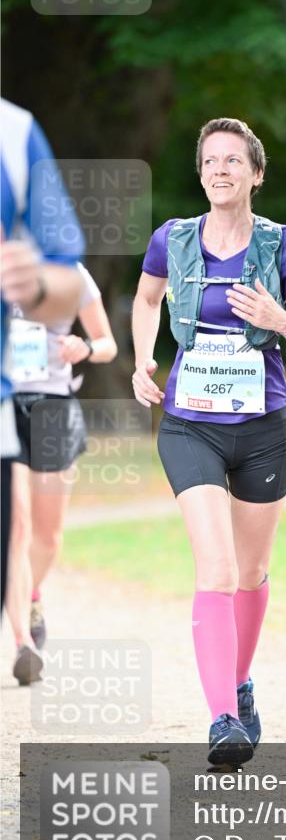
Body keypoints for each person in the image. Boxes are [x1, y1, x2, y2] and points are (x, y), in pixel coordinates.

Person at [132, 117, 286, 765]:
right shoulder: (174, 239)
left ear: (255, 174)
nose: (219, 170)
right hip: (191, 424)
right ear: (200, 172)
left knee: (250, 572)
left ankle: (239, 684)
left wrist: (280, 318)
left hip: (266, 430)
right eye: (210, 160)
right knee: (213, 568)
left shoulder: (285, 244)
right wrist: (139, 360)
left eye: (233, 161)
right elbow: (147, 295)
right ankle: (220, 720)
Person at [5, 261, 117, 684]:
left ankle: (29, 593)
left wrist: (84, 348)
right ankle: (21, 643)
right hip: (5, 403)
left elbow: (107, 343)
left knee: (47, 537)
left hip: (53, 406)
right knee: (16, 525)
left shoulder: (71, 273)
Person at [1, 98, 85, 610]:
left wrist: (34, 287)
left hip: (43, 400)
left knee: (42, 531)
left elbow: (69, 281)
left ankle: (28, 603)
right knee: (24, 523)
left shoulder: (14, 131)